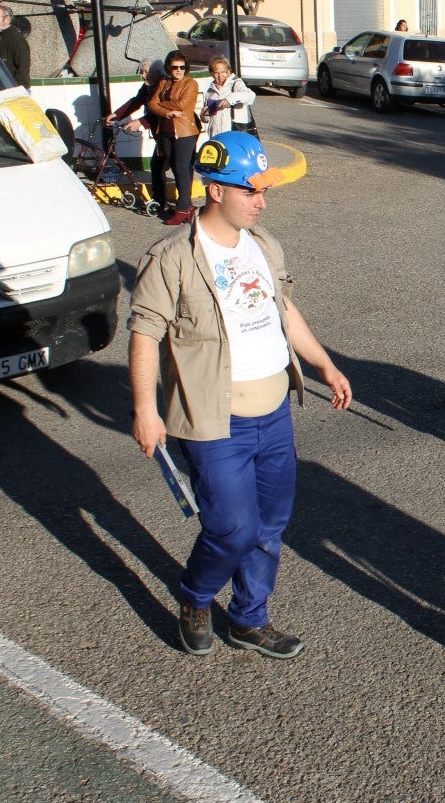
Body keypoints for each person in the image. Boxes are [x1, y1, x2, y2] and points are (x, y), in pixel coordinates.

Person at [128, 131, 352, 661]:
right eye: (250, 192)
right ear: (215, 191)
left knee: (270, 526)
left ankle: (250, 619)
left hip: (273, 413)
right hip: (213, 419)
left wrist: (323, 364)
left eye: (263, 192)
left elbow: (284, 311)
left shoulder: (264, 246)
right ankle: (196, 596)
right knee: (233, 528)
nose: (261, 202)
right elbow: (144, 334)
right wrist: (145, 410)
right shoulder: (172, 258)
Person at [147, 50, 201, 226]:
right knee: (174, 169)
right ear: (168, 68)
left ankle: (182, 208)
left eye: (182, 67)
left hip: (185, 131)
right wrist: (167, 112)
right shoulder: (164, 82)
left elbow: (182, 104)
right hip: (165, 131)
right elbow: (151, 104)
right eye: (175, 67)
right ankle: (187, 206)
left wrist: (161, 105)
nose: (179, 70)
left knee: (182, 168)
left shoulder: (190, 83)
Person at [105, 57, 165, 135]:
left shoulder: (164, 86)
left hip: (169, 130)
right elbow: (136, 101)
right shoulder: (148, 86)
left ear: (157, 72)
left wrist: (141, 122)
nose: (143, 76)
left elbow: (161, 110)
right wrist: (116, 115)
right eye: (141, 72)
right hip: (158, 131)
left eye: (146, 72)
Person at [202, 55, 257, 137]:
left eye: (223, 72)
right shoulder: (210, 91)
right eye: (216, 73)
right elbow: (210, 115)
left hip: (234, 133)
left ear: (228, 72)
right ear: (212, 74)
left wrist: (229, 99)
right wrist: (205, 115)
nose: (220, 76)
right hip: (215, 135)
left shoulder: (236, 84)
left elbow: (251, 96)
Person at [0, 5, 30, 88]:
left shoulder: (16, 39)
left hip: (13, 90)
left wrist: (15, 90)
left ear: (7, 19)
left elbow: (23, 69)